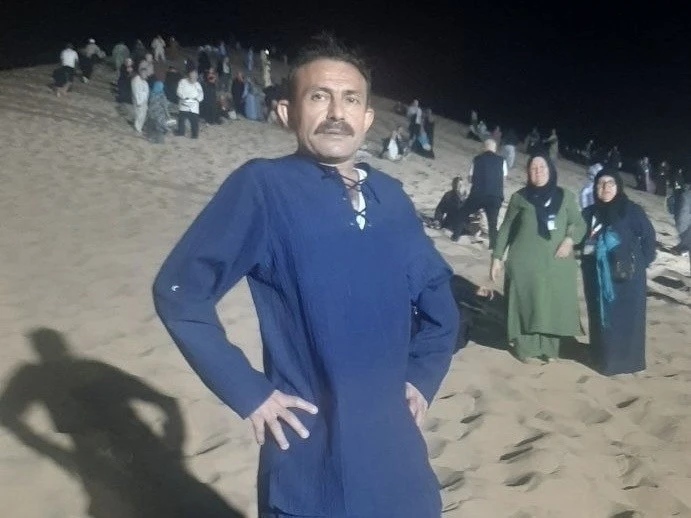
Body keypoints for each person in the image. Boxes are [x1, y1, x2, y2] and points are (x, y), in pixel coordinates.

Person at [152, 35, 459, 518]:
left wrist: (422, 377)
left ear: (367, 118)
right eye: (319, 96)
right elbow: (180, 292)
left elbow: (438, 297)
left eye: (350, 99)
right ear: (286, 112)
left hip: (397, 455)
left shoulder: (391, 197)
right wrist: (249, 391)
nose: (337, 112)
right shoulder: (263, 186)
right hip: (312, 456)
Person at [490, 153, 586, 363]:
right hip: (524, 263)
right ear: (528, 173)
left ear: (550, 170)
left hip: (557, 263)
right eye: (533, 168)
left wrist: (569, 240)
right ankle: (525, 349)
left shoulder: (565, 196)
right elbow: (506, 228)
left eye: (542, 167)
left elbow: (578, 223)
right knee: (527, 304)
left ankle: (550, 350)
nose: (538, 172)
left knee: (551, 305)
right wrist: (497, 257)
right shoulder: (520, 198)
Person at [580, 169, 656, 375]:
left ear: (618, 186)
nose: (605, 188)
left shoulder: (631, 210)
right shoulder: (590, 213)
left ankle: (628, 361)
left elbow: (649, 238)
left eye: (610, 183)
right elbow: (579, 239)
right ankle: (603, 358)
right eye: (600, 183)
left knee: (628, 319)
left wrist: (641, 264)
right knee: (601, 318)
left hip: (628, 279)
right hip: (597, 277)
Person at [451, 138, 507, 248]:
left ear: (484, 148)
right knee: (493, 223)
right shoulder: (502, 161)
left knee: (462, 213)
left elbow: (470, 179)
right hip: (495, 196)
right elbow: (503, 180)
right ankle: (493, 246)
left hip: (478, 194)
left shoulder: (477, 159)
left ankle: (455, 237)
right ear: (495, 149)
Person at [176, 65, 203, 138]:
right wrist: (185, 97)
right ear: (189, 75)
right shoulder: (182, 82)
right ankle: (181, 133)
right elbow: (179, 91)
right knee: (181, 120)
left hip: (194, 105)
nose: (194, 77)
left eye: (195, 76)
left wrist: (197, 99)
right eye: (192, 75)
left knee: (194, 122)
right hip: (184, 104)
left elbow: (201, 94)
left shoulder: (197, 84)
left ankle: (194, 135)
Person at [131, 64, 150, 134]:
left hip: (144, 101)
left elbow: (146, 93)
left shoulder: (145, 82)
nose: (146, 75)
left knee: (143, 115)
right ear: (141, 73)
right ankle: (137, 128)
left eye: (146, 73)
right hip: (138, 101)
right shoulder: (136, 80)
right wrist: (138, 101)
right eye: (144, 73)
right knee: (139, 115)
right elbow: (136, 92)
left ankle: (139, 128)